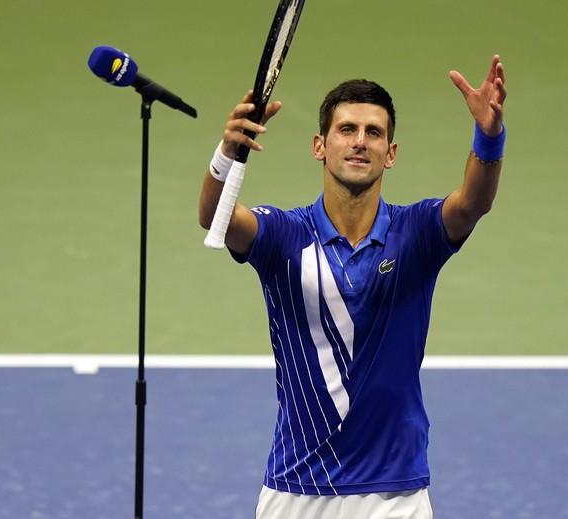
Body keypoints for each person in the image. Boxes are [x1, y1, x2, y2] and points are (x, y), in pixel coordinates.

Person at [198, 55, 507, 519]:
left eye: (374, 132)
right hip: (297, 488)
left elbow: (473, 203)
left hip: (394, 494)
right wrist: (226, 154)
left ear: (391, 152)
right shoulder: (284, 236)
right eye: (347, 129)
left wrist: (489, 136)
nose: (360, 142)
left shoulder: (417, 232)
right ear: (320, 145)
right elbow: (215, 219)